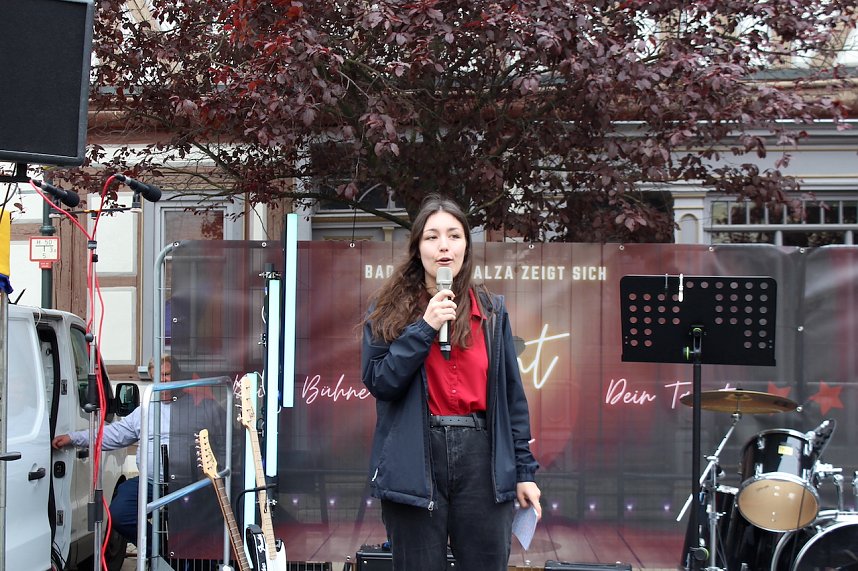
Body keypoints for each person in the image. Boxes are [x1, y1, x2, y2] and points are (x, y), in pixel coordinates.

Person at [361, 194, 541, 571]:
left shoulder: (491, 311)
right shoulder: (387, 309)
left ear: (465, 246)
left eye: (454, 235)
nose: (444, 245)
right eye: (432, 237)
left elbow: (512, 400)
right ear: (417, 248)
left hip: (482, 459)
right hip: (416, 458)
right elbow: (380, 382)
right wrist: (424, 327)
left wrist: (524, 473)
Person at [52, 355, 174, 559]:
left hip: (187, 484)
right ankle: (160, 551)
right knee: (119, 512)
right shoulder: (145, 411)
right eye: (158, 377)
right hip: (151, 483)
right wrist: (72, 438)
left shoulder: (195, 407)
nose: (164, 380)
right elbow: (113, 434)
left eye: (168, 374)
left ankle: (181, 556)